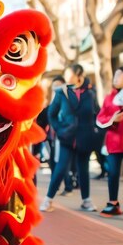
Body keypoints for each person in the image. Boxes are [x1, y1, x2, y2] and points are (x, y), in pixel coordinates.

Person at [41, 64, 100, 212]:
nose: (67, 76)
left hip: (85, 137)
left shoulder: (90, 93)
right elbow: (51, 113)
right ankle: (48, 200)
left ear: (79, 75)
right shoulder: (62, 93)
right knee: (60, 169)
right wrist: (59, 128)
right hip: (66, 137)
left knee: (83, 169)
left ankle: (86, 201)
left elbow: (96, 113)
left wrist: (96, 131)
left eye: (69, 73)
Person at [96, 66, 123, 217]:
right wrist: (113, 119)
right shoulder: (109, 97)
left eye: (120, 75)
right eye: (115, 75)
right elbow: (100, 117)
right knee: (112, 173)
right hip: (113, 142)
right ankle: (113, 204)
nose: (115, 78)